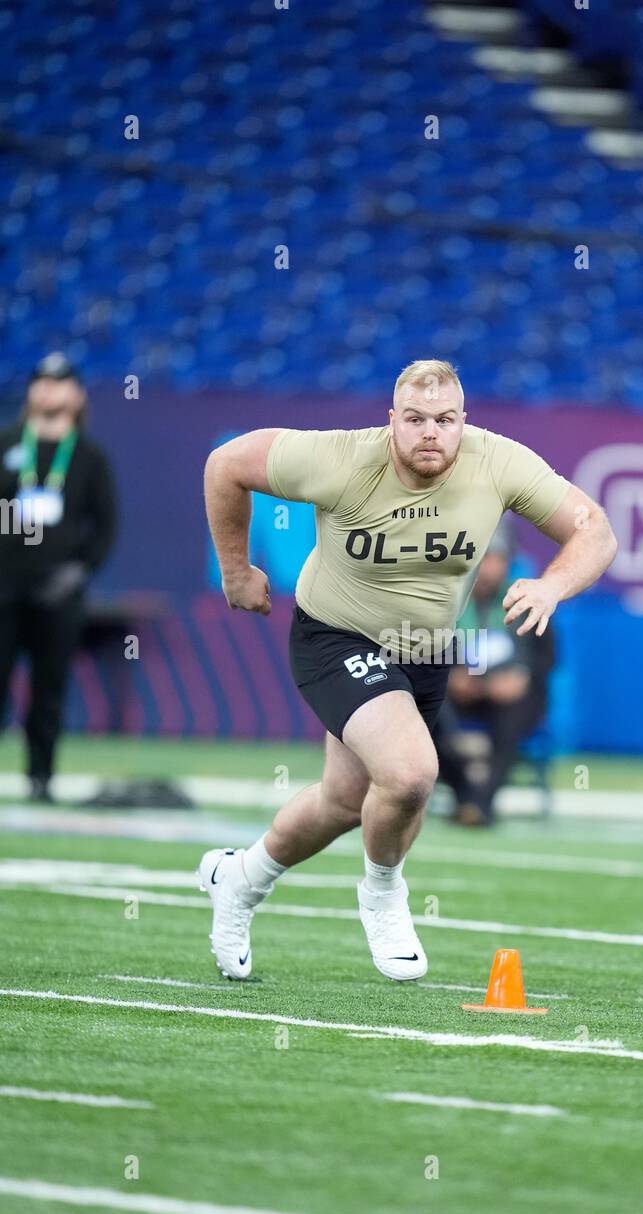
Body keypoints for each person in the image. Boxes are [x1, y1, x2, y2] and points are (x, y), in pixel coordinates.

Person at [200, 358, 617, 982]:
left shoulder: (497, 461)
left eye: (445, 420)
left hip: (426, 651)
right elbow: (226, 464)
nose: (430, 433)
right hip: (335, 636)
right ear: (391, 420)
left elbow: (595, 531)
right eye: (416, 419)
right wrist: (235, 570)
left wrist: (553, 586)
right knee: (413, 772)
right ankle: (384, 897)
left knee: (345, 801)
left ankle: (239, 880)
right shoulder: (341, 459)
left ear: (463, 423)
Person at [0, 353, 118, 801]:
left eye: (60, 382)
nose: (49, 390)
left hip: (58, 592)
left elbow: (105, 525)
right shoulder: (8, 443)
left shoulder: (89, 457)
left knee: (49, 687)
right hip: (5, 586)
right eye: (42, 382)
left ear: (77, 394)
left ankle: (40, 779)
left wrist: (77, 572)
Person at [432, 518, 555, 827]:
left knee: (514, 715)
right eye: (479, 558)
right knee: (426, 709)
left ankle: (480, 804)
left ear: (507, 561)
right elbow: (426, 653)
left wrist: (522, 676)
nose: (485, 567)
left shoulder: (527, 601)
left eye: (493, 558)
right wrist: (450, 677)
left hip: (512, 694)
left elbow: (546, 658)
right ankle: (466, 794)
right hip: (462, 691)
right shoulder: (449, 603)